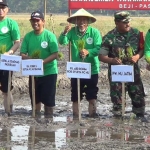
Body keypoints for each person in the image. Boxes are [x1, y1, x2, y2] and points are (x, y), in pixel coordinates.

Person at [99, 11, 147, 121]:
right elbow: (101, 56)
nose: (128, 24)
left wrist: (137, 56)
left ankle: (139, 120)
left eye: (129, 21)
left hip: (133, 72)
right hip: (117, 74)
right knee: (118, 100)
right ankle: (118, 123)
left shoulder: (137, 34)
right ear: (116, 22)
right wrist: (112, 60)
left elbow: (142, 49)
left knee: (138, 97)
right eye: (124, 22)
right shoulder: (109, 37)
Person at [58, 8, 102, 117]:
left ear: (88, 21)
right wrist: (64, 33)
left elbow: (99, 48)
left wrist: (88, 52)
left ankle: (92, 115)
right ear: (76, 21)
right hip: (77, 69)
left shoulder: (94, 32)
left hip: (92, 69)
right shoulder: (72, 32)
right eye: (79, 20)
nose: (81, 22)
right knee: (76, 94)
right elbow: (62, 42)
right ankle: (76, 116)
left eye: (84, 20)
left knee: (92, 94)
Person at [20, 10, 58, 117]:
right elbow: (22, 54)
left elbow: (55, 54)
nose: (35, 23)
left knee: (48, 101)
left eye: (37, 20)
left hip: (49, 72)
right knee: (35, 100)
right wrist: (30, 58)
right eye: (32, 21)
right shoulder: (28, 36)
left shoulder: (49, 36)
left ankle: (48, 122)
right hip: (34, 73)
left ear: (43, 21)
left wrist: (42, 62)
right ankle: (36, 121)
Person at [0, 0, 20, 114]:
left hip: (6, 60)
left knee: (6, 89)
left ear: (8, 10)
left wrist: (9, 52)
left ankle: (9, 113)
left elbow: (17, 42)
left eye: (3, 7)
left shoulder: (11, 23)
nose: (1, 10)